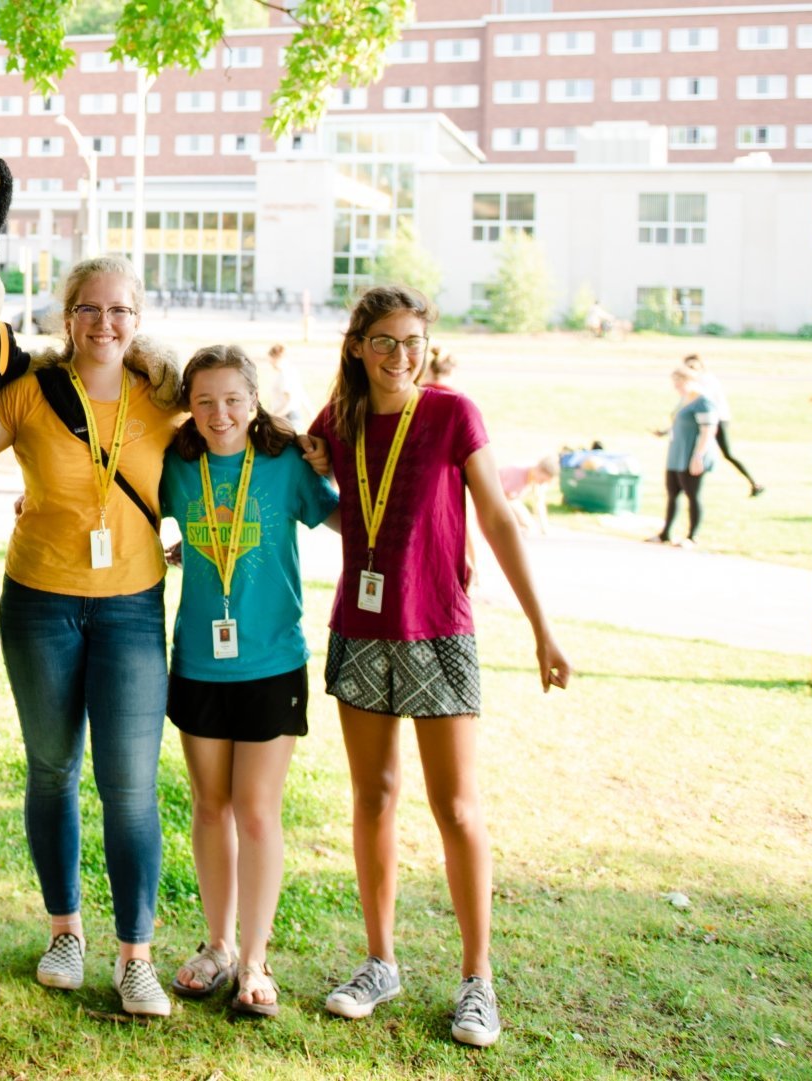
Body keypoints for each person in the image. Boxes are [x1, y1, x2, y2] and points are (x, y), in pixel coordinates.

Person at [305, 285, 570, 1049]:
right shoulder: (339, 419)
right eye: (384, 340)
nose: (400, 355)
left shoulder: (453, 413)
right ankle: (380, 960)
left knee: (456, 807)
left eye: (413, 340)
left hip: (438, 633)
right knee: (374, 795)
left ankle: (477, 980)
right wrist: (317, 467)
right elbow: (327, 502)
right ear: (357, 345)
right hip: (360, 627)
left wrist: (541, 628)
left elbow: (495, 515)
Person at [0, 255, 186, 1016]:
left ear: (138, 317)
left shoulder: (163, 397)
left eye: (120, 310)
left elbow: (226, 460)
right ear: (66, 316)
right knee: (52, 769)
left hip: (132, 608)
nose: (105, 323)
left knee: (130, 785)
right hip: (39, 603)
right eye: (89, 309)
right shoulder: (32, 394)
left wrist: (188, 538)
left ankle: (136, 955)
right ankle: (64, 930)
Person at [158, 345, 339, 1017]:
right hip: (199, 661)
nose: (219, 413)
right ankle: (217, 945)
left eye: (232, 398)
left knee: (256, 807)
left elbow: (339, 514)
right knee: (210, 805)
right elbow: (125, 509)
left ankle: (256, 959)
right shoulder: (178, 465)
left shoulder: (285, 463)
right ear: (189, 405)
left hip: (271, 659)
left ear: (254, 400)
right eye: (204, 400)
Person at [677, 354, 764, 497]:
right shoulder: (698, 382)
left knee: (725, 453)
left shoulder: (705, 380)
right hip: (705, 419)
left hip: (717, 420)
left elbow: (703, 403)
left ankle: (754, 483)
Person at [655, 365, 716, 547]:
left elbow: (708, 430)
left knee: (692, 494)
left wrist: (698, 455)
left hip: (691, 454)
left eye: (680, 382)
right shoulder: (684, 400)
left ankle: (692, 536)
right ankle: (665, 533)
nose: (676, 386)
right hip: (677, 453)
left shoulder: (703, 402)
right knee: (673, 492)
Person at [496, 454, 559, 536]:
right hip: (496, 497)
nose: (542, 483)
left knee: (529, 526)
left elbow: (539, 502)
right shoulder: (517, 472)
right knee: (526, 524)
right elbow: (503, 497)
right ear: (538, 469)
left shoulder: (535, 477)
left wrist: (544, 528)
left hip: (508, 498)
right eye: (542, 480)